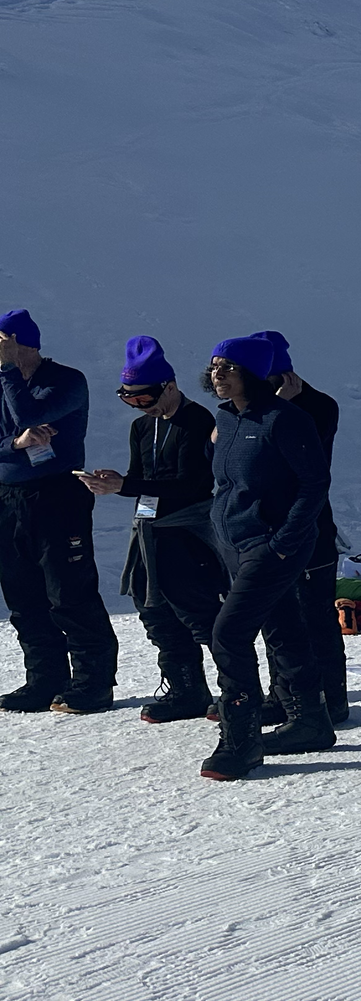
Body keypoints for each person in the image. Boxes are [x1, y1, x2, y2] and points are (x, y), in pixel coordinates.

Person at [200, 336, 333, 779]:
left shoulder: (285, 419)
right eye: (215, 366)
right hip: (234, 543)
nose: (218, 374)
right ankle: (310, 721)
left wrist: (284, 542)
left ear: (253, 375)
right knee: (282, 628)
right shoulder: (227, 418)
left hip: (271, 546)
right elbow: (225, 476)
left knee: (229, 634)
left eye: (229, 368)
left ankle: (241, 739)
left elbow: (314, 485)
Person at [78, 337, 223, 722]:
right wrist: (117, 481)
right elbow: (143, 480)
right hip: (149, 530)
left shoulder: (197, 421)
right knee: (154, 611)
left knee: (199, 612)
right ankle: (185, 688)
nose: (141, 406)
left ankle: (237, 689)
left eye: (145, 398)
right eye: (129, 399)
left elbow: (191, 485)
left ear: (170, 386)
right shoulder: (143, 427)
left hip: (186, 530)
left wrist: (125, 485)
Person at [0, 310, 118, 715]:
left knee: (68, 590)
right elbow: (17, 434)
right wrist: (14, 445)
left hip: (57, 495)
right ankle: (44, 678)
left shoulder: (66, 380)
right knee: (22, 593)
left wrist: (9, 373)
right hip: (9, 497)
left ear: (22, 343)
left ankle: (93, 682)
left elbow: (32, 417)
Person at [253, 331, 351, 728]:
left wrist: (279, 408)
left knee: (315, 616)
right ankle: (284, 695)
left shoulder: (318, 406)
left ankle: (332, 697)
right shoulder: (249, 407)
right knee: (277, 618)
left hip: (308, 525)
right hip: (265, 525)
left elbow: (301, 457)